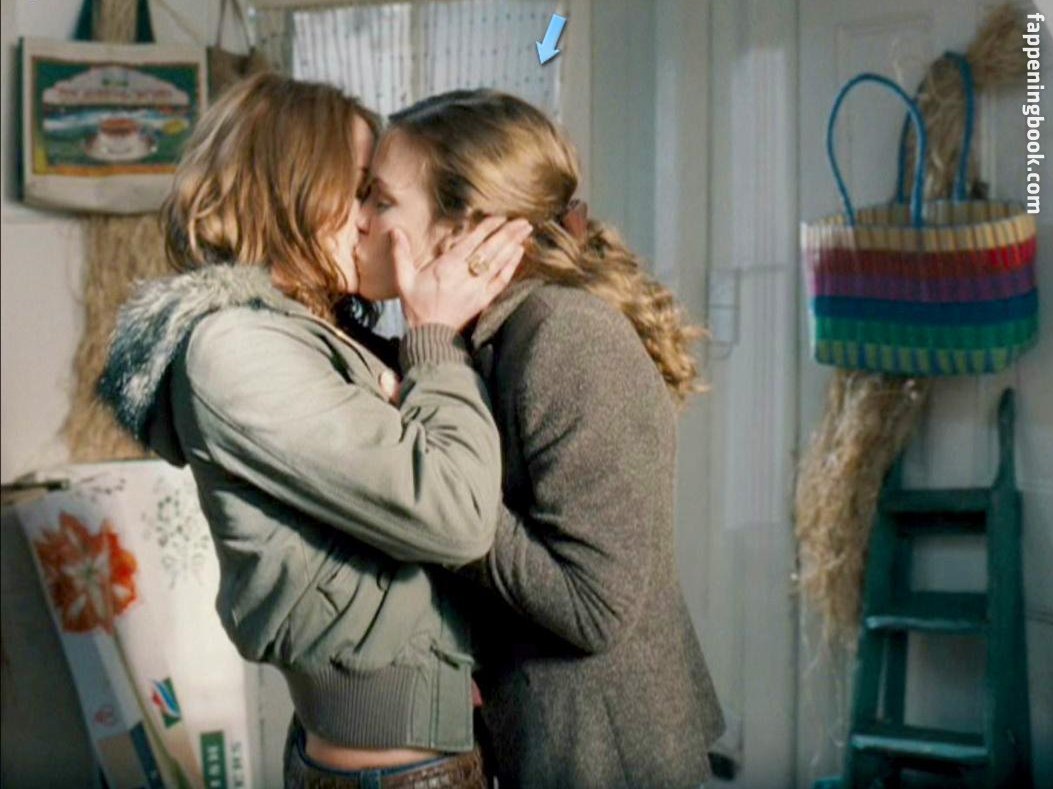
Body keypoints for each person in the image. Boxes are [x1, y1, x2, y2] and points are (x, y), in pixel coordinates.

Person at [98, 73, 532, 787]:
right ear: (289, 186)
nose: (370, 220)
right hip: (400, 775)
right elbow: (455, 514)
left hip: (413, 755)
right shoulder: (236, 348)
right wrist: (433, 335)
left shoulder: (304, 333)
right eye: (359, 190)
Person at [353, 89, 725, 787]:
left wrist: (437, 480)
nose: (358, 220)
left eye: (380, 200)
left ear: (466, 231)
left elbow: (594, 607)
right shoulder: (483, 336)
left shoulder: (566, 337)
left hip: (608, 762)